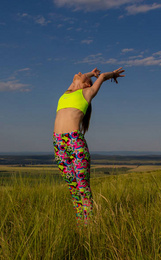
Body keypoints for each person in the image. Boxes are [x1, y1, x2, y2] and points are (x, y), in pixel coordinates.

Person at [53, 67, 125, 225]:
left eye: (82, 77)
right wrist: (91, 74)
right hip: (58, 143)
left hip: (74, 140)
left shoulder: (87, 93)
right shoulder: (68, 91)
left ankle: (89, 224)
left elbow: (104, 76)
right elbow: (77, 77)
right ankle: (80, 223)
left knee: (82, 186)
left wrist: (111, 75)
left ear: (87, 85)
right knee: (73, 186)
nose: (78, 74)